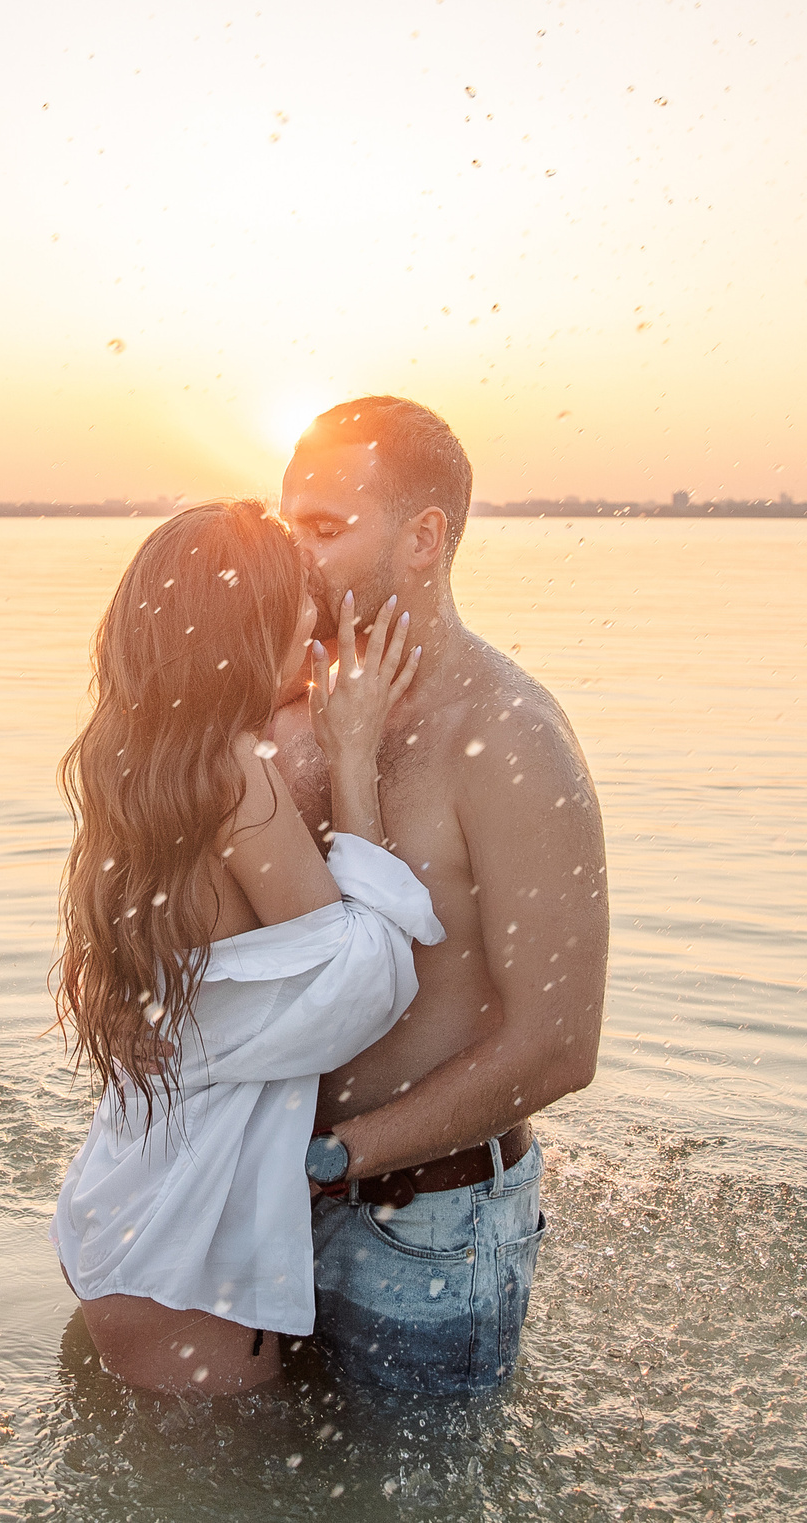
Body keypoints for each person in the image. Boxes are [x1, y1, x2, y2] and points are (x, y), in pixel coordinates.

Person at [48, 500, 440, 1394]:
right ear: (240, 639)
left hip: (123, 1219)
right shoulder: (234, 773)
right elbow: (360, 983)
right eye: (302, 639)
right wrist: (351, 757)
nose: (316, 665)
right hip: (185, 1269)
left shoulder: (132, 760)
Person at [271, 396, 610, 1395]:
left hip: (431, 1232)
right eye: (286, 520)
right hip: (272, 1204)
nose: (291, 553)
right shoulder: (290, 704)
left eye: (323, 530)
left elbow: (559, 1045)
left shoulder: (510, 738)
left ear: (422, 540)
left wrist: (329, 1158)